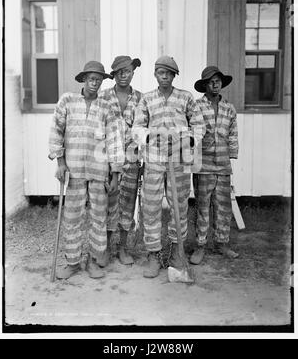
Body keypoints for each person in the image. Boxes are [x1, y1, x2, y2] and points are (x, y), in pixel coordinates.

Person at [48, 61, 123, 279]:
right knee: (72, 217)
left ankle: (93, 260)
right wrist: (60, 163)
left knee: (99, 216)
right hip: (73, 171)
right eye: (91, 79)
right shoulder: (67, 101)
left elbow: (115, 141)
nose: (94, 83)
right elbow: (56, 132)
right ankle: (72, 263)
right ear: (83, 79)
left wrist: (115, 174)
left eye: (98, 80)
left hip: (99, 171)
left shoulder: (107, 107)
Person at [133, 56, 205, 278]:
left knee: (179, 206)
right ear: (155, 74)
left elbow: (199, 125)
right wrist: (151, 136)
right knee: (151, 207)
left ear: (174, 76)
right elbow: (137, 127)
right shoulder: (146, 99)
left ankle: (176, 253)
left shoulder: (186, 98)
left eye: (169, 73)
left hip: (179, 161)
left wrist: (186, 140)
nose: (164, 76)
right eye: (160, 72)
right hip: (154, 161)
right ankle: (154, 255)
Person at [190, 66, 239, 265]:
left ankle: (222, 243)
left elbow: (233, 133)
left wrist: (232, 153)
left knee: (223, 206)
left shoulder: (229, 108)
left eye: (218, 80)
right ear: (205, 85)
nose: (215, 84)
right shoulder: (197, 106)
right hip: (203, 165)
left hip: (223, 165)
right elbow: (195, 130)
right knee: (202, 206)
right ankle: (200, 245)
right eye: (211, 81)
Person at [100, 55, 142, 265]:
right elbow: (98, 129)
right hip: (108, 160)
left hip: (132, 159)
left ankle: (123, 249)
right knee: (109, 203)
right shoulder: (104, 97)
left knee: (127, 204)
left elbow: (145, 131)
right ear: (114, 75)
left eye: (128, 71)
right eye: (119, 72)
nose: (124, 75)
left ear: (133, 72)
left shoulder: (141, 98)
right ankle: (105, 248)